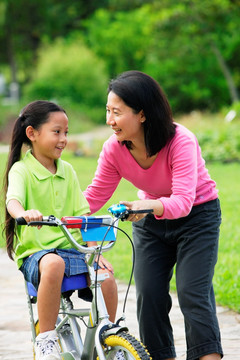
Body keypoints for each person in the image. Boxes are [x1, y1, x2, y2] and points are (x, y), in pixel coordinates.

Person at [84, 71, 223, 360]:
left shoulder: (180, 140)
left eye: (117, 112)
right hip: (149, 222)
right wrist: (51, 214)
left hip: (198, 217)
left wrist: (145, 207)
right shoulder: (114, 148)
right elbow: (93, 197)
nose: (109, 120)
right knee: (148, 296)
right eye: (108, 111)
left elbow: (183, 202)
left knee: (192, 294)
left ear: (142, 115)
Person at [3, 100, 117, 360]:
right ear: (32, 133)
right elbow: (13, 201)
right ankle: (46, 338)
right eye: (57, 132)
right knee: (53, 263)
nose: (64, 139)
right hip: (38, 255)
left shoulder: (68, 170)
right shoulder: (22, 170)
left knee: (106, 274)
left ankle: (108, 335)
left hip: (72, 251)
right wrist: (23, 214)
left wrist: (94, 251)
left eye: (66, 132)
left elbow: (82, 215)